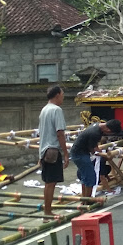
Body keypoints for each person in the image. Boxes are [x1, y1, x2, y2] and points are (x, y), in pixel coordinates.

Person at [38, 85, 70, 216]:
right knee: (51, 182)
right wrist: (66, 153)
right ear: (57, 95)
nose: (63, 98)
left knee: (48, 182)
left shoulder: (44, 110)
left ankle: (47, 209)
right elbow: (60, 133)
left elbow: (42, 134)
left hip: (44, 150)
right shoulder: (56, 110)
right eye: (62, 95)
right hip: (52, 151)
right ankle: (48, 211)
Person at [70, 118, 122, 198]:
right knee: (90, 177)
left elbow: (93, 144)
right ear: (108, 129)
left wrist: (97, 148)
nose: (108, 134)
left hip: (81, 152)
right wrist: (98, 152)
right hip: (79, 154)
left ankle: (85, 199)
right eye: (110, 132)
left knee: (85, 177)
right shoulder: (95, 133)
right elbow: (92, 149)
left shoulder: (98, 126)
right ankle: (88, 199)